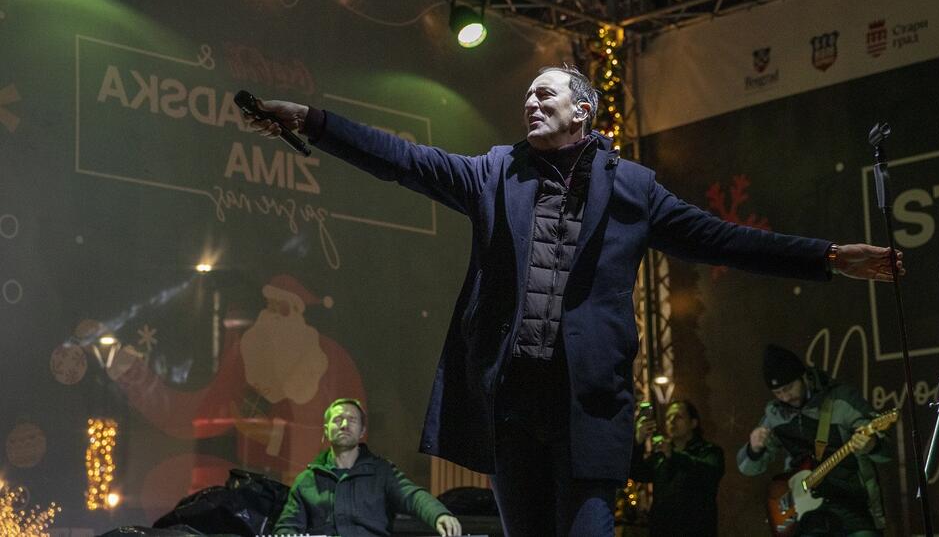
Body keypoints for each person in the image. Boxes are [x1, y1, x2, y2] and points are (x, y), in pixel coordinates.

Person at [250, 64, 902, 536]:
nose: (530, 102)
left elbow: (720, 238)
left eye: (545, 93)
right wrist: (312, 121)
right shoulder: (494, 172)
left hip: (586, 408)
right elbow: (405, 160)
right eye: (526, 95)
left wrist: (824, 256)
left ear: (582, 110)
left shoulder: (633, 190)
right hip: (512, 408)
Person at [737, 345, 891, 536]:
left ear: (804, 377)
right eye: (778, 393)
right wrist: (754, 449)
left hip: (852, 507)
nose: (785, 397)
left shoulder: (841, 400)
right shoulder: (775, 415)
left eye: (789, 388)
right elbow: (748, 469)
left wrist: (873, 445)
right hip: (806, 517)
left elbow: (887, 452)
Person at [274, 398, 461, 537]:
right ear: (326, 430)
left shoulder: (382, 472)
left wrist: (440, 515)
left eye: (352, 420)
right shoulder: (307, 480)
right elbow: (287, 526)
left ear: (362, 431)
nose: (344, 425)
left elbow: (413, 496)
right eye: (338, 419)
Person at [631, 399, 724, 535]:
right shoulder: (660, 455)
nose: (672, 421)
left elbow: (707, 472)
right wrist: (638, 441)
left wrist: (673, 456)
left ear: (693, 423)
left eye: (678, 417)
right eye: (668, 417)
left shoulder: (709, 451)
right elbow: (636, 472)